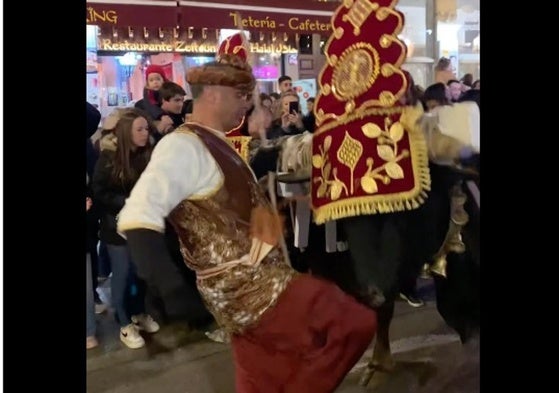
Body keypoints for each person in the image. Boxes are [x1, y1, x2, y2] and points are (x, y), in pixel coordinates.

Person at [117, 32, 376, 392]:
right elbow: (137, 215)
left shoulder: (216, 142)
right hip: (251, 289)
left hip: (246, 290)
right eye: (242, 97)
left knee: (260, 381)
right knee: (353, 324)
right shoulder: (182, 146)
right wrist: (171, 288)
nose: (247, 105)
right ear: (214, 95)